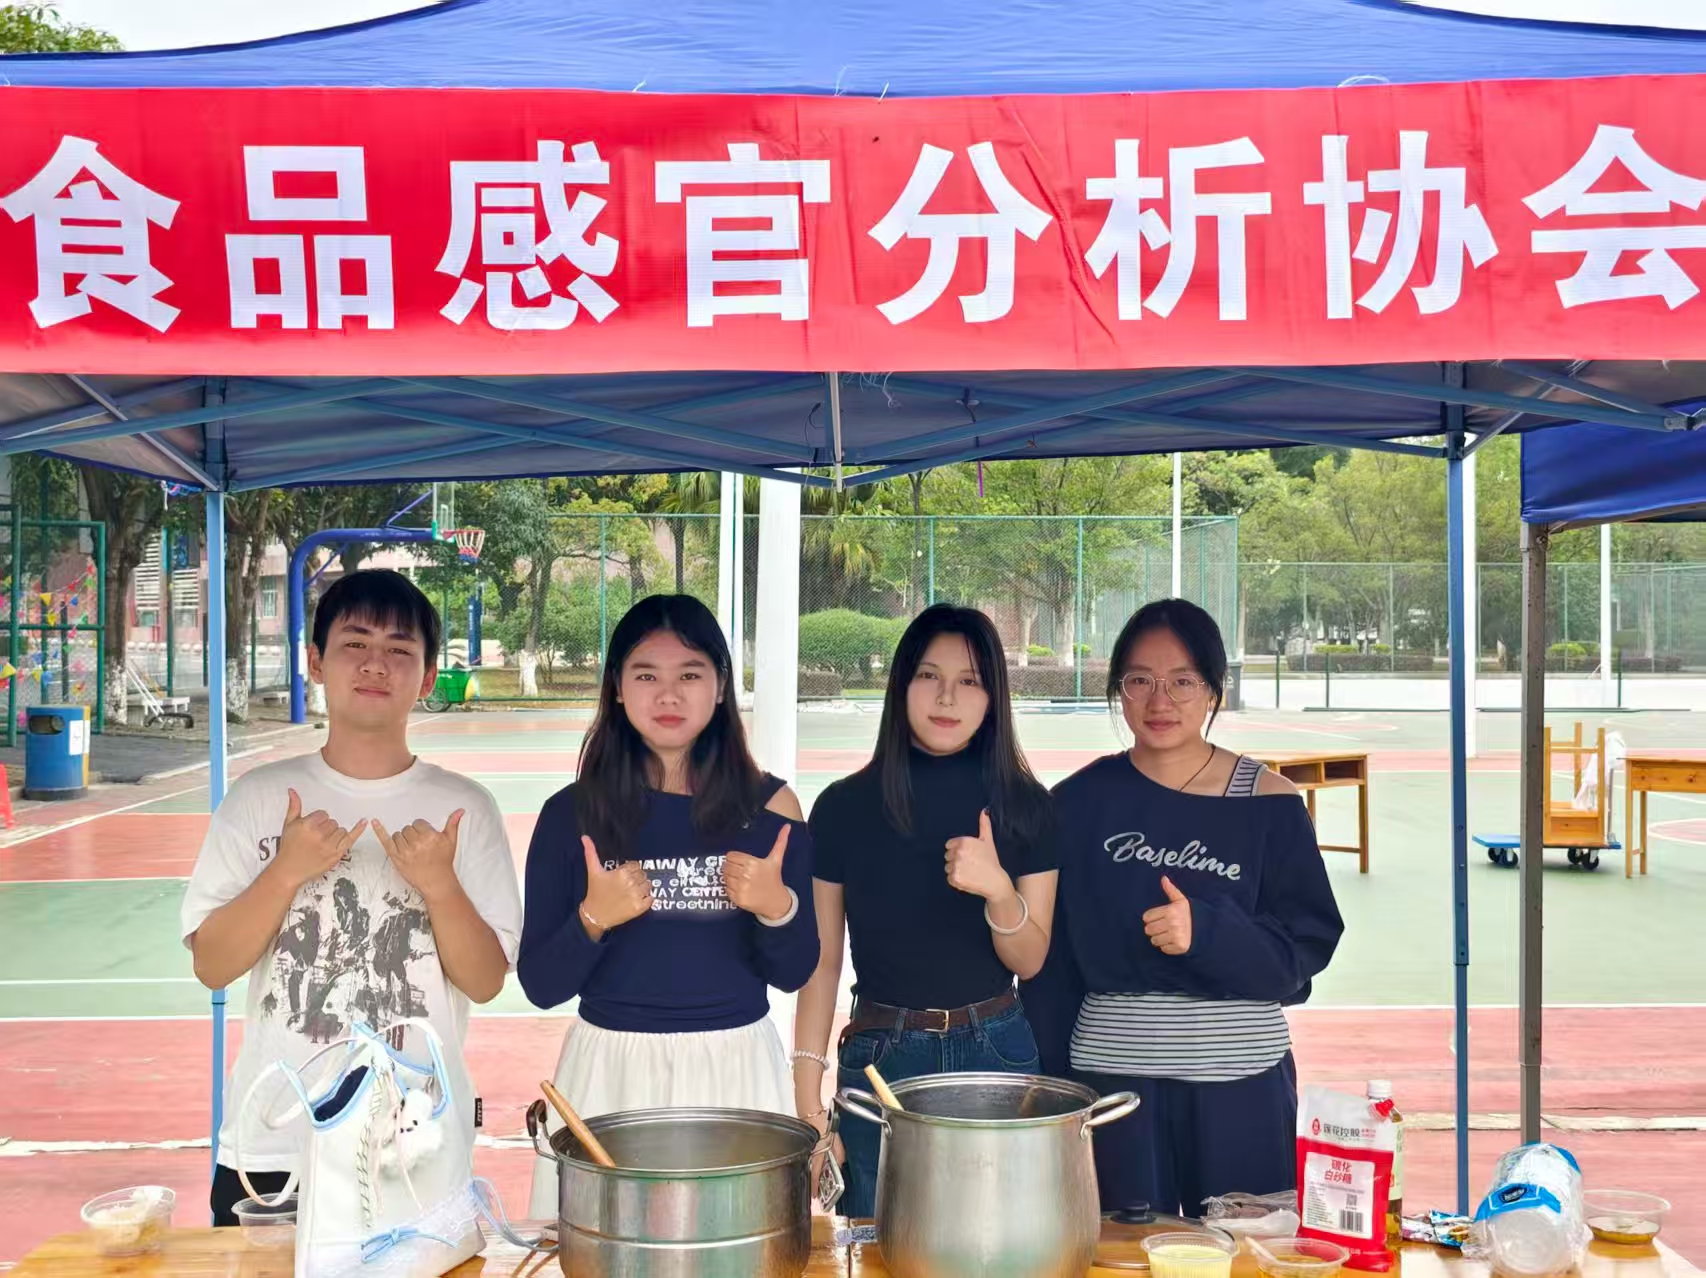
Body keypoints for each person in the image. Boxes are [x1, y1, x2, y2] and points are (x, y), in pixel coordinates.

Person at [182, 569, 521, 1226]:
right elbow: (212, 966)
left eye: (399, 649)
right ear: (316, 661)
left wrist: (440, 885)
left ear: (428, 677)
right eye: (355, 643)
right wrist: (285, 871)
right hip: (275, 1147)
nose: (375, 664)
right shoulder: (259, 799)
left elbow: (484, 981)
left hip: (414, 1146)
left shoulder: (465, 809)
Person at [1026, 598, 1344, 1217]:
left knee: (1242, 1249)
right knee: (1116, 1251)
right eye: (1139, 680)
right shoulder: (1075, 803)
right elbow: (1050, 971)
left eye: (1182, 681)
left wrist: (1210, 934)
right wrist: (1053, 1092)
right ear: (1118, 690)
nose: (1159, 700)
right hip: (1112, 1094)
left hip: (1241, 1093)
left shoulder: (1269, 802)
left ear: (1214, 690)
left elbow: (1302, 955)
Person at [519, 594, 817, 1216]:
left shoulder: (771, 808)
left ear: (720, 686)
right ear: (617, 688)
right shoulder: (569, 814)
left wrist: (777, 906)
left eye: (690, 674)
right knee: (605, 1245)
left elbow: (793, 970)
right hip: (611, 1071)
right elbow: (542, 985)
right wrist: (593, 919)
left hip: (736, 1067)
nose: (669, 695)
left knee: (739, 1243)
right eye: (647, 675)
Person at [795, 604, 1056, 1218]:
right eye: (928, 676)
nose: (947, 697)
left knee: (995, 1237)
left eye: (969, 681)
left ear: (993, 697)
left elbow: (1030, 959)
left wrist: (999, 891)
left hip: (995, 1048)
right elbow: (823, 961)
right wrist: (809, 1106)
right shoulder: (843, 807)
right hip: (881, 1057)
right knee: (878, 1236)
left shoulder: (1026, 806)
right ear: (901, 685)